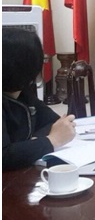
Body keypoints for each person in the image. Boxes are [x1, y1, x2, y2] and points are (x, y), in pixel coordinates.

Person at [2, 28, 76, 170]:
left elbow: (54, 122)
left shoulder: (22, 91)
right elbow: (4, 156)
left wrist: (31, 145)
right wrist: (51, 140)